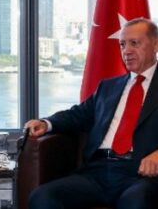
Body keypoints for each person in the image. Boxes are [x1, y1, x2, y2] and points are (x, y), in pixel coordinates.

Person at [25, 18, 158, 209]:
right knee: (43, 197)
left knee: (136, 202)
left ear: (155, 44)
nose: (126, 51)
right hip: (96, 171)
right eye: (122, 44)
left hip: (139, 175)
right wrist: (46, 123)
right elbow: (77, 115)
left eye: (134, 43)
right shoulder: (108, 87)